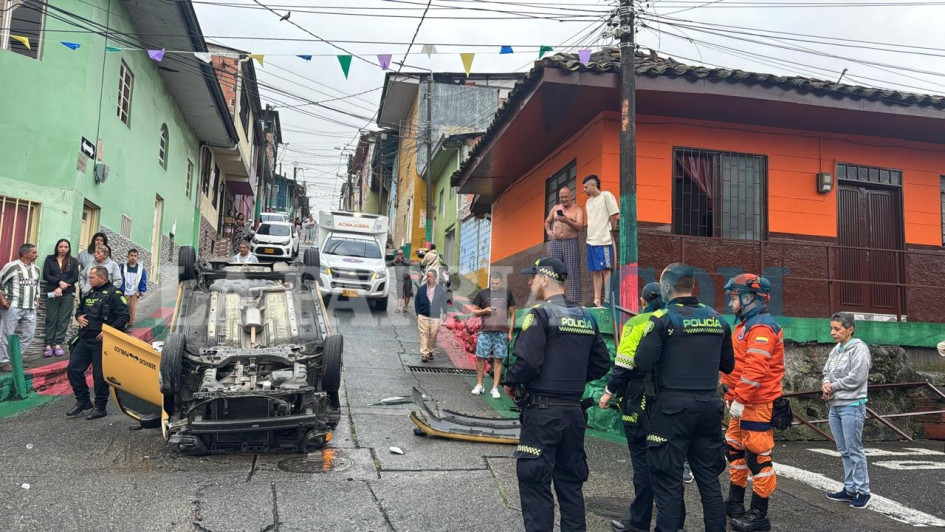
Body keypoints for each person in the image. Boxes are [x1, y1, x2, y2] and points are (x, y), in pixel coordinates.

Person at [503, 257, 610, 532]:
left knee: (535, 481)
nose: (530, 282)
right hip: (574, 413)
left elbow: (527, 362)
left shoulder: (540, 314)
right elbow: (601, 363)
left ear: (545, 278)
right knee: (571, 485)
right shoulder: (586, 316)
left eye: (533, 277)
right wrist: (573, 378)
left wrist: (511, 381)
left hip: (542, 414)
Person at [634, 262, 735, 532]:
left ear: (667, 287)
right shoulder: (718, 319)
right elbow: (728, 365)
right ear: (691, 286)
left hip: (671, 410)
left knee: (668, 480)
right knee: (709, 480)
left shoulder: (662, 319)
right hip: (709, 407)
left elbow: (642, 363)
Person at [601, 282, 689, 532]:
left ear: (642, 301)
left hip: (640, 398)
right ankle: (675, 522)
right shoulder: (679, 320)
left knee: (642, 462)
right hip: (673, 399)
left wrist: (608, 393)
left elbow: (623, 366)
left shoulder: (637, 323)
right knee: (670, 463)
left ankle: (639, 521)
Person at [722, 274, 785, 531]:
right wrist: (732, 397)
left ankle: (759, 515)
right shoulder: (748, 325)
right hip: (742, 401)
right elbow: (739, 367)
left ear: (749, 298)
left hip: (756, 403)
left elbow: (755, 369)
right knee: (735, 450)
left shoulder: (761, 328)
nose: (731, 302)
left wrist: (739, 398)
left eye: (734, 297)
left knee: (758, 458)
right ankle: (735, 503)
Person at [822, 312, 872, 509]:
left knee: (854, 449)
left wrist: (833, 386)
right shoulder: (836, 349)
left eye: (837, 329)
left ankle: (863, 491)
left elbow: (858, 377)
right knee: (844, 450)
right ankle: (850, 488)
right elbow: (826, 371)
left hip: (852, 405)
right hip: (835, 405)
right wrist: (826, 384)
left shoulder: (859, 349)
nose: (832, 332)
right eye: (832, 328)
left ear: (850, 329)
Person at [66, 265, 129, 420]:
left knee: (99, 376)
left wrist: (109, 331)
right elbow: (80, 309)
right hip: (85, 338)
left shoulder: (115, 294)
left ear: (102, 278)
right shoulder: (90, 293)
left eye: (92, 277)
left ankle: (100, 407)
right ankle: (83, 401)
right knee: (73, 369)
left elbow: (124, 317)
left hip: (102, 342)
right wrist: (79, 317)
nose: (90, 280)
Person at [470, 271, 516, 399]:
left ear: (501, 282)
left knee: (498, 359)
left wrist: (510, 332)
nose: (494, 285)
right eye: (492, 283)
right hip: (485, 331)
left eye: (496, 283)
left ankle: (495, 388)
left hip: (501, 332)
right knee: (480, 358)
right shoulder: (483, 293)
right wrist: (484, 311)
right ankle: (479, 384)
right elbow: (473, 311)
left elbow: (512, 314)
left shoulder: (507, 294)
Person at [0, 244, 41, 373]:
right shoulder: (12, 266)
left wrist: (37, 300)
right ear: (25, 254)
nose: (36, 255)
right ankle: (3, 361)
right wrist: (2, 299)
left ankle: (14, 359)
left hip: (30, 308)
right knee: (7, 334)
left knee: (29, 335)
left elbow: (37, 286)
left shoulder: (36, 269)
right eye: (34, 252)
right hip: (13, 306)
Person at [582, 175, 619, 307]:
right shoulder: (588, 202)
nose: (584, 190)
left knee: (606, 270)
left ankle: (607, 300)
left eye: (586, 187)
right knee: (595, 271)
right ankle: (596, 300)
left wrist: (611, 229)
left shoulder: (606, 195)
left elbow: (614, 214)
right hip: (591, 239)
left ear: (593, 185)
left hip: (604, 239)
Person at [544, 186, 584, 302]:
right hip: (556, 242)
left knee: (573, 272)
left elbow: (580, 227)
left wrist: (566, 220)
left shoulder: (577, 209)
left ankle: (575, 301)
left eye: (566, 197)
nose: (564, 199)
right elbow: (547, 222)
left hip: (570, 242)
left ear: (571, 196)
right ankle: (556, 300)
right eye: (562, 197)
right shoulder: (555, 208)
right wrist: (548, 231)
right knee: (554, 271)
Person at [42, 239, 79, 358]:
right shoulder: (50, 259)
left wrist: (62, 288)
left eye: (66, 247)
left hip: (67, 293)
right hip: (52, 292)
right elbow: (46, 275)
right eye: (61, 246)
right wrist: (59, 282)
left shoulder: (73, 261)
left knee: (63, 319)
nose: (63, 249)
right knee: (51, 318)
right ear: (57, 247)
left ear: (69, 248)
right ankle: (48, 345)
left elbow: (75, 277)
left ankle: (58, 344)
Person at [415, 269, 447, 362]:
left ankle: (430, 351)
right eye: (427, 276)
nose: (429, 278)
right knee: (424, 334)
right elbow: (417, 301)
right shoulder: (422, 289)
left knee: (433, 335)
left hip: (435, 316)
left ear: (435, 278)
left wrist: (445, 313)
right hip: (423, 315)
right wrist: (418, 313)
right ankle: (424, 354)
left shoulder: (440, 290)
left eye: (431, 277)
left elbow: (444, 302)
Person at [119, 249, 148, 327]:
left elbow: (143, 280)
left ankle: (130, 324)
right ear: (127, 256)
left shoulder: (141, 269)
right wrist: (119, 289)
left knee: (132, 308)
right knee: (123, 308)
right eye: (131, 255)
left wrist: (142, 290)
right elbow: (119, 278)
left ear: (137, 257)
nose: (133, 257)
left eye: (135, 256)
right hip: (124, 291)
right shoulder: (123, 267)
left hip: (135, 292)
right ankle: (122, 323)